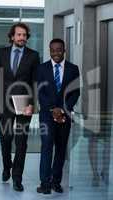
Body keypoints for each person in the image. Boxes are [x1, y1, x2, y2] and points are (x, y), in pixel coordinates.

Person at [0, 22, 40, 192]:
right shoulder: (2, 53)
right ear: (12, 36)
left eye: (24, 35)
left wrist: (31, 104)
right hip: (5, 103)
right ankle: (7, 166)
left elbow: (35, 82)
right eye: (19, 35)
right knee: (5, 137)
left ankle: (17, 177)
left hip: (24, 102)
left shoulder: (34, 56)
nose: (22, 38)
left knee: (21, 141)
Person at [36, 38, 80, 194]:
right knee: (47, 146)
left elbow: (75, 92)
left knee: (61, 149)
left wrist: (62, 109)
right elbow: (40, 92)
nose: (56, 53)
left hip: (64, 115)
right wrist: (52, 109)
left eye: (59, 50)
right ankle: (45, 183)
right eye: (53, 50)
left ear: (64, 50)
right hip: (46, 116)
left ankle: (56, 181)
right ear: (50, 51)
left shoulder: (73, 69)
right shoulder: (42, 68)